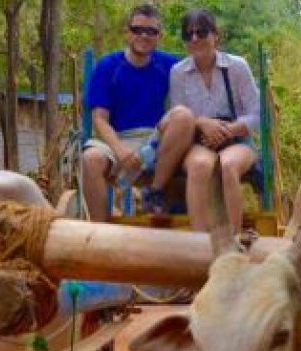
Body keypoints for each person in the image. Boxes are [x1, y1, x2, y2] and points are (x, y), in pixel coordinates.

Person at [82, 4, 195, 221]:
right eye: (137, 29)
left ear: (159, 36)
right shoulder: (107, 66)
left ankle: (154, 194)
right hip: (119, 138)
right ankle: (100, 231)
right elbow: (99, 119)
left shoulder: (171, 65)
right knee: (90, 159)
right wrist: (120, 150)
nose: (144, 35)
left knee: (182, 116)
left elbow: (202, 66)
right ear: (127, 32)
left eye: (151, 31)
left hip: (158, 138)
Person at [169, 8, 260, 232]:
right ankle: (200, 240)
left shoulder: (237, 66)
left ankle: (233, 238)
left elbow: (257, 114)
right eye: (188, 34)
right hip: (199, 140)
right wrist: (202, 124)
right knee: (199, 166)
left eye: (201, 32)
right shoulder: (178, 72)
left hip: (237, 139)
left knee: (228, 166)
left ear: (215, 35)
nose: (195, 39)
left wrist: (228, 130)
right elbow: (179, 115)